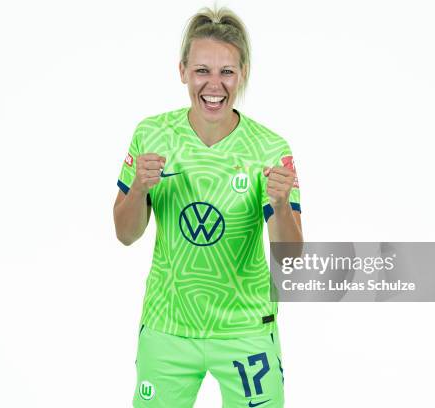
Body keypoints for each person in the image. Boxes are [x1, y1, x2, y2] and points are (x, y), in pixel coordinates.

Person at [113, 6, 303, 407]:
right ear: (183, 71)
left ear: (243, 73)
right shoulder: (152, 134)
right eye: (202, 70)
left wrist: (281, 204)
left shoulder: (270, 149)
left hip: (246, 327)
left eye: (226, 72)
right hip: (169, 325)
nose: (213, 84)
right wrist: (139, 190)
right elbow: (125, 234)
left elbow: (290, 259)